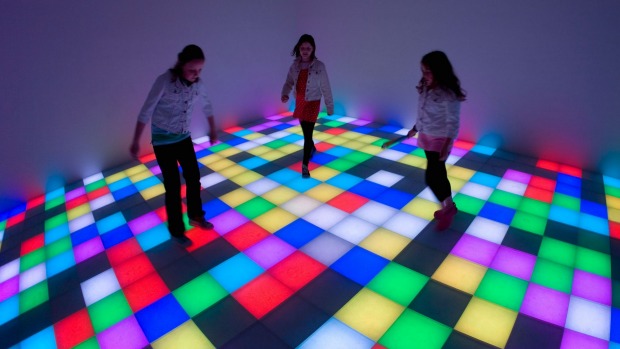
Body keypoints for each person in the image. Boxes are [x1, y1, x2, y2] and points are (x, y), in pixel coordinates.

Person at [130, 44, 217, 241]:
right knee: (173, 185)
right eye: (191, 70)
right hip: (163, 142)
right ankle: (176, 229)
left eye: (199, 70)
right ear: (181, 64)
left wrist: (212, 128)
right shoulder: (164, 82)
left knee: (194, 177)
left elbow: (207, 106)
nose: (195, 74)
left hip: (183, 138)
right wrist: (136, 140)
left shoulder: (198, 85)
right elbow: (146, 110)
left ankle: (196, 216)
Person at [407, 51, 466, 230]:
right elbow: (423, 112)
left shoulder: (448, 94)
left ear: (440, 71)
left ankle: (447, 208)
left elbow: (453, 123)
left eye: (428, 72)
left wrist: (447, 145)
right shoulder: (425, 88)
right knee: (439, 174)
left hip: (440, 140)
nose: (424, 76)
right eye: (423, 71)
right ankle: (449, 206)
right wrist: (415, 128)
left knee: (431, 177)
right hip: (426, 135)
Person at [281, 34, 334, 178]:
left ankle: (304, 166)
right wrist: (285, 94)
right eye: (303, 47)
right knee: (306, 133)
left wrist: (329, 106)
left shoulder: (319, 66)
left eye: (308, 48)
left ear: (313, 49)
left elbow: (326, 87)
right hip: (300, 102)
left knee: (308, 134)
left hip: (313, 103)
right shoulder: (294, 66)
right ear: (299, 48)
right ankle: (312, 147)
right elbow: (288, 82)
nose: (305, 50)